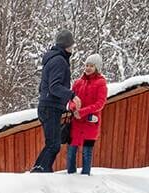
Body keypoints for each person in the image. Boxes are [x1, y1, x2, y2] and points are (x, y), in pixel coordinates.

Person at [29, 28, 80, 173]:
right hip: (50, 107)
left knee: (52, 143)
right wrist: (72, 95)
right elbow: (54, 86)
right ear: (67, 45)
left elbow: (43, 87)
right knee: (54, 144)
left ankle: (41, 169)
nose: (72, 48)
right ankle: (40, 171)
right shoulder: (59, 61)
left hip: (48, 106)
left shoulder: (52, 59)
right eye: (71, 45)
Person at [67, 54, 108, 175]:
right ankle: (70, 176)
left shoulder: (101, 83)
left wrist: (82, 112)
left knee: (87, 152)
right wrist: (74, 109)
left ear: (97, 68)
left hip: (90, 124)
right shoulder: (77, 83)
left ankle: (85, 178)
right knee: (71, 152)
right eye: (87, 65)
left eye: (91, 66)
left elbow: (100, 103)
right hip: (76, 123)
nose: (88, 68)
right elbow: (70, 100)